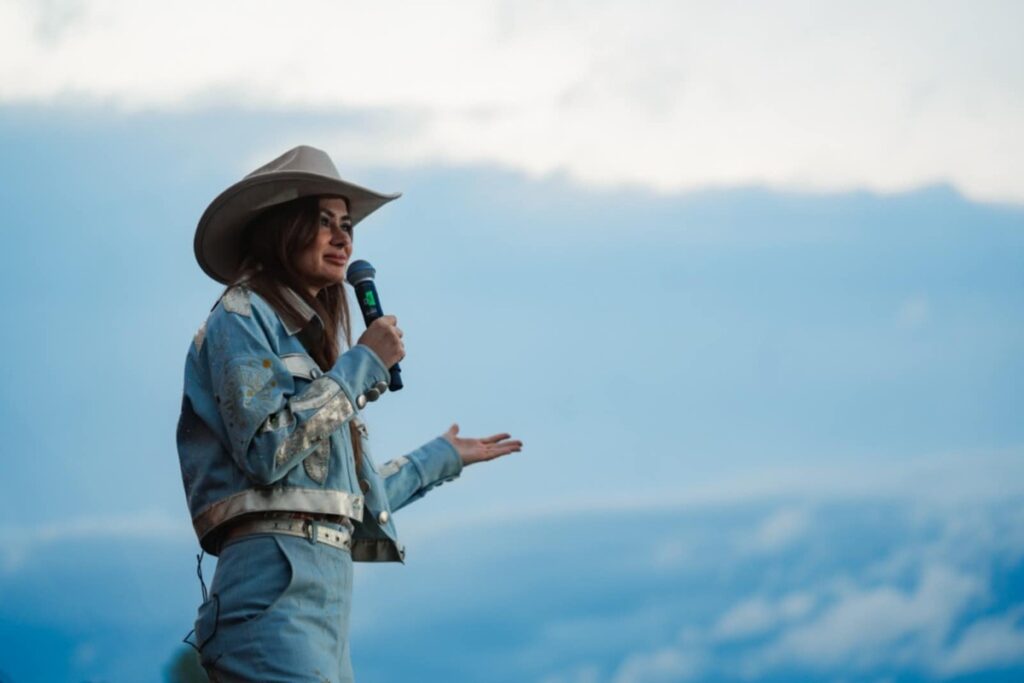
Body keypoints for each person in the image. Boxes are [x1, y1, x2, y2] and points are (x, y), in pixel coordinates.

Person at [176, 145, 522, 682]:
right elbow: (269, 451)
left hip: (322, 601)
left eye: (347, 225)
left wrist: (441, 458)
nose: (342, 238)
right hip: (273, 594)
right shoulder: (240, 317)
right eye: (323, 222)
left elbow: (341, 495)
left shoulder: (313, 355)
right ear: (281, 229)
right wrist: (363, 363)